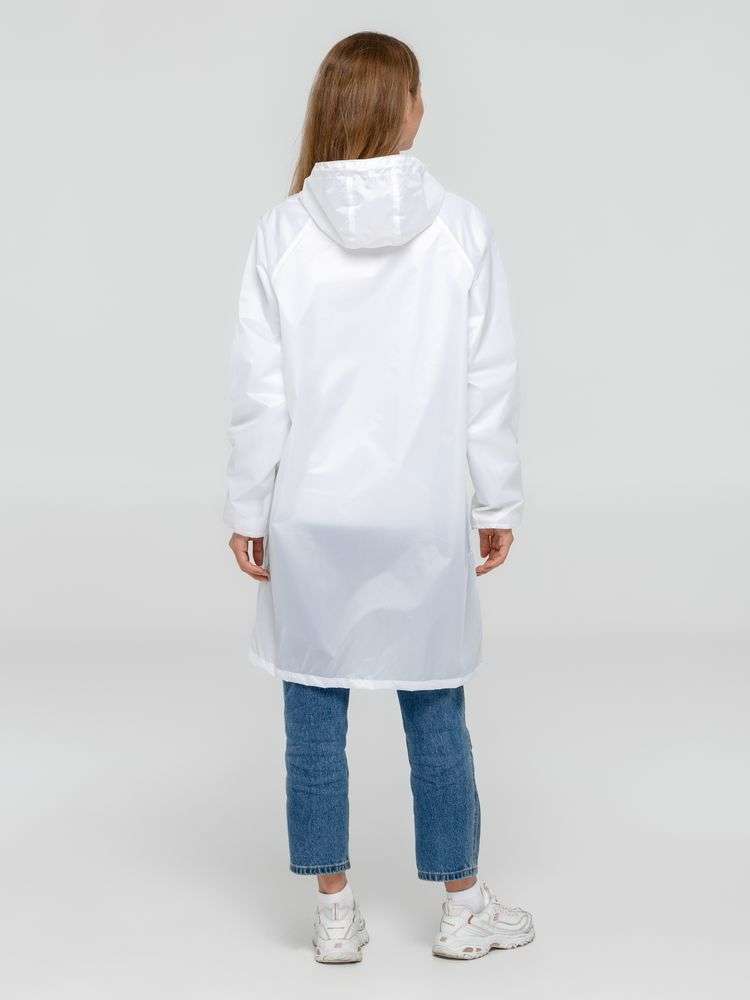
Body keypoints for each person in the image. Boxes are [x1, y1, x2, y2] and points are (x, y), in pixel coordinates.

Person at [224, 31, 533, 963]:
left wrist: (248, 508)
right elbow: (489, 379)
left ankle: (333, 916)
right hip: (421, 512)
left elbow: (260, 392)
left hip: (312, 513)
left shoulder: (283, 232)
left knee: (313, 714)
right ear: (405, 109)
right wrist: (496, 501)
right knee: (434, 703)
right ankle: (462, 907)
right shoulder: (459, 228)